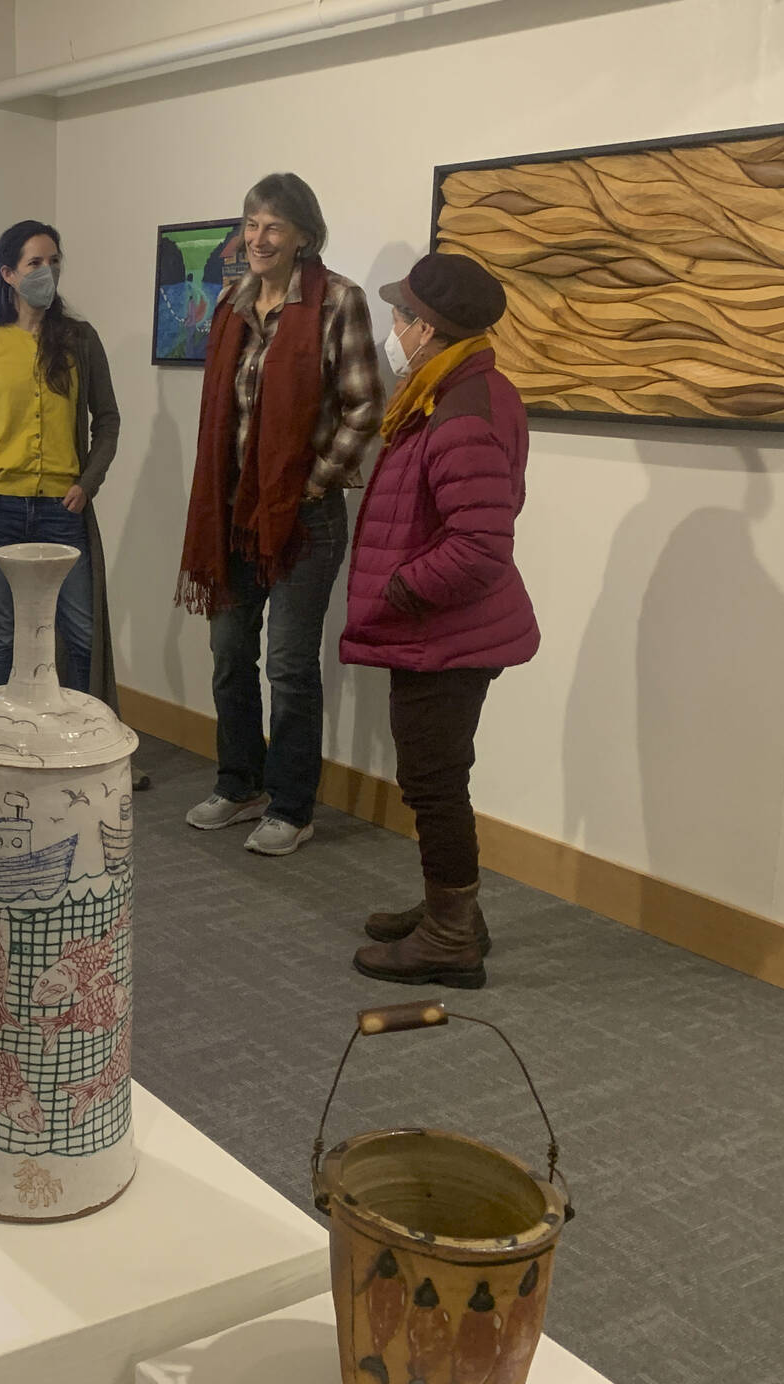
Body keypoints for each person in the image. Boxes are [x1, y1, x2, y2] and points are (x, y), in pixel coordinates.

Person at [345, 254, 539, 988]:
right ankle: (452, 911)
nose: (392, 328)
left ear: (427, 328)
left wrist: (399, 591)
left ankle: (451, 936)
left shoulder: (461, 410)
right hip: (443, 630)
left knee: (434, 782)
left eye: (400, 316)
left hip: (444, 632)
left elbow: (480, 547)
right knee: (436, 777)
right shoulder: (451, 391)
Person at [176, 174, 382, 856]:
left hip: (305, 521)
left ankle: (293, 806)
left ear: (304, 236)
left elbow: (362, 409)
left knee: (289, 667)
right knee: (230, 654)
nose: (258, 238)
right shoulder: (234, 303)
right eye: (251, 223)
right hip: (235, 517)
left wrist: (312, 484)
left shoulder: (337, 301)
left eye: (274, 226)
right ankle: (240, 784)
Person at [0, 220, 121, 702]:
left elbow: (108, 419)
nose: (47, 272)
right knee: (3, 635)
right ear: (8, 273)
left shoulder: (80, 340)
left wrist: (88, 481)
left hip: (62, 509)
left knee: (80, 631)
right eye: (35, 263)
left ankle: (88, 741)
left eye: (54, 261)